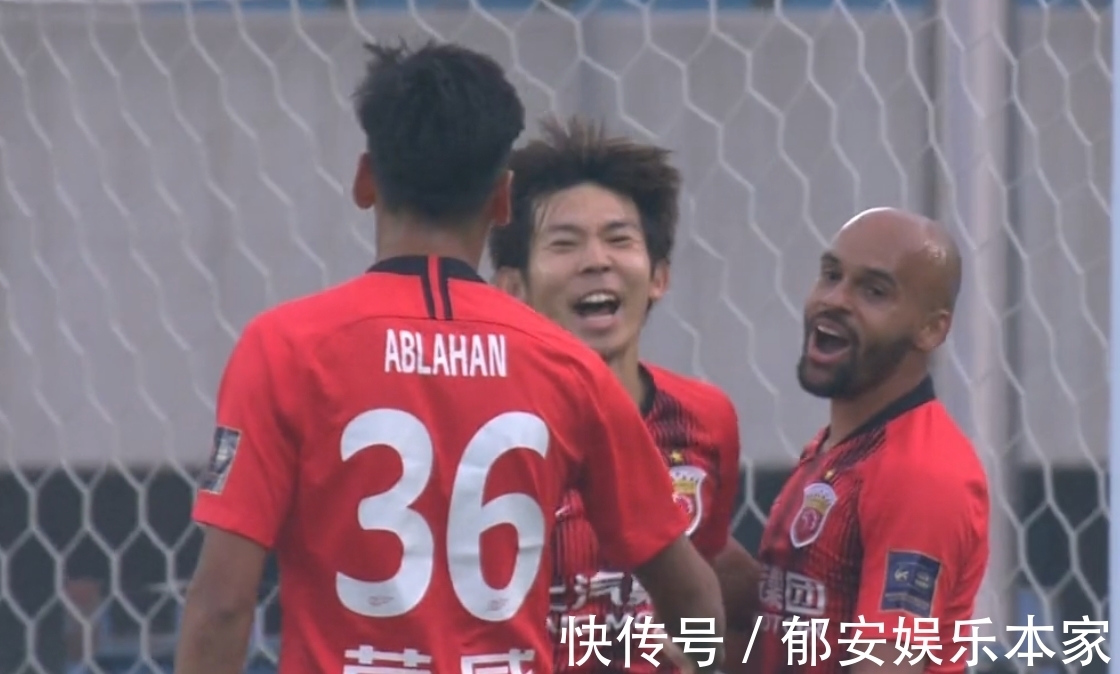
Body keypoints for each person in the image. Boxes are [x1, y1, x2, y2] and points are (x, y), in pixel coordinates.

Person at [173, 42, 725, 674]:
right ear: (503, 199)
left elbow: (223, 605)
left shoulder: (287, 348)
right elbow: (695, 596)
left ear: (364, 180)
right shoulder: (567, 367)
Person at [489, 117, 761, 674]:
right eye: (565, 243)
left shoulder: (706, 420)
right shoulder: (486, 430)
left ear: (659, 276)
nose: (597, 260)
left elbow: (710, 588)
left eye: (619, 239)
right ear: (513, 289)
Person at [748, 207, 990, 674]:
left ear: (931, 329)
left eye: (873, 291)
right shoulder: (839, 449)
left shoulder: (920, 474)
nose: (834, 299)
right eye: (831, 275)